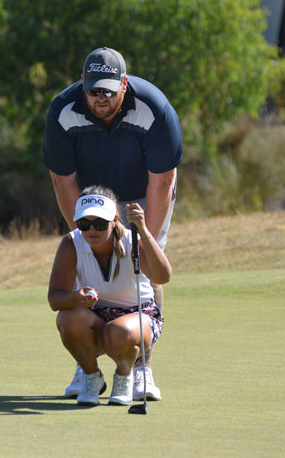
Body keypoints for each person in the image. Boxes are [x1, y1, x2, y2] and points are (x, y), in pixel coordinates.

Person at [43, 46, 182, 401]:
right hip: (91, 194)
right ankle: (85, 365)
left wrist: (143, 240)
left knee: (148, 269)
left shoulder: (154, 109)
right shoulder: (63, 112)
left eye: (108, 90)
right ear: (82, 83)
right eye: (93, 90)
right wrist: (85, 234)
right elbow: (62, 180)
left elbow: (162, 181)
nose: (100, 98)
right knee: (85, 258)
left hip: (145, 191)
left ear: (124, 83)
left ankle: (143, 369)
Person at [48, 186, 172, 406]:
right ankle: (91, 377)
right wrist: (77, 298)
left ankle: (124, 377)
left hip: (138, 319)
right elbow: (55, 299)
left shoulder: (133, 240)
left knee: (120, 331)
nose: (92, 230)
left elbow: (162, 277)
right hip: (95, 319)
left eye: (100, 223)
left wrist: (144, 232)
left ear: (114, 220)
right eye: (84, 224)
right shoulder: (71, 243)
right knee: (66, 318)